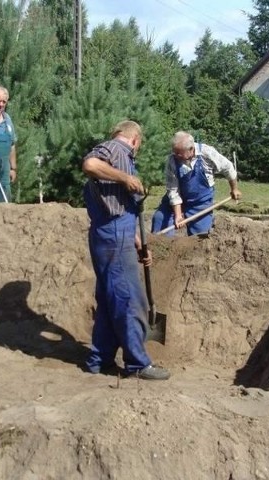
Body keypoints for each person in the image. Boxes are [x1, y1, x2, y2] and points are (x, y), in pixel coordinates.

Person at [82, 120, 170, 381]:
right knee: (129, 299)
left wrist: (138, 242)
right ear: (135, 140)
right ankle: (137, 363)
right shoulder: (117, 149)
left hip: (109, 233)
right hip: (113, 236)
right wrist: (126, 177)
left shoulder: (120, 156)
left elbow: (118, 207)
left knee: (110, 301)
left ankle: (100, 360)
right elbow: (90, 164)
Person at [151, 131, 241, 236]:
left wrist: (234, 189)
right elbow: (173, 191)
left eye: (179, 154)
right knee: (160, 219)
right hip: (175, 201)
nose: (175, 156)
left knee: (200, 238)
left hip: (200, 203)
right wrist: (178, 215)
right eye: (174, 152)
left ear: (191, 149)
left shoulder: (206, 153)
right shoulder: (172, 160)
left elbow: (228, 167)